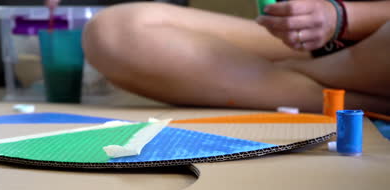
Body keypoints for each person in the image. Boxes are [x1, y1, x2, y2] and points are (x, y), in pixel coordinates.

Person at [51, 0, 390, 113]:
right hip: (309, 44)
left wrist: (342, 16)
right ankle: (346, 91)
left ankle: (324, 84)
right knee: (113, 32)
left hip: (368, 38)